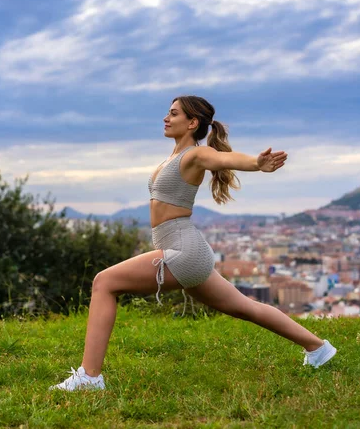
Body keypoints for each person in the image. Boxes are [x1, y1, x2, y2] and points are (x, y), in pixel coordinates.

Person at [50, 95, 336, 391]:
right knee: (244, 307)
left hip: (183, 250)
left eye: (173, 114)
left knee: (104, 282)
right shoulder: (173, 159)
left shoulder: (194, 155)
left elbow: (223, 159)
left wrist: (256, 163)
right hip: (186, 249)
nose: (166, 118)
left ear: (192, 122)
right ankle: (318, 347)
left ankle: (90, 377)